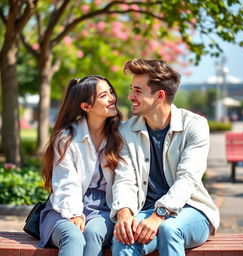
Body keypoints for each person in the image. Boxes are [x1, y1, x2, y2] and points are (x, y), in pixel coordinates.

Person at [111, 59, 220, 256]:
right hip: (144, 211)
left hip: (191, 210)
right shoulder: (125, 131)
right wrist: (124, 213)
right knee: (123, 240)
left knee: (169, 230)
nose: (130, 96)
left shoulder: (194, 125)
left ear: (159, 95)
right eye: (131, 89)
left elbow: (187, 179)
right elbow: (124, 178)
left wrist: (159, 215)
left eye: (138, 90)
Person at [39, 75, 124, 256]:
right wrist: (74, 214)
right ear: (86, 106)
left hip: (105, 209)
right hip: (63, 208)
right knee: (74, 236)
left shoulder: (120, 137)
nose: (112, 98)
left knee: (92, 233)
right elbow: (65, 183)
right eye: (103, 95)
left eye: (111, 92)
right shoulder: (67, 138)